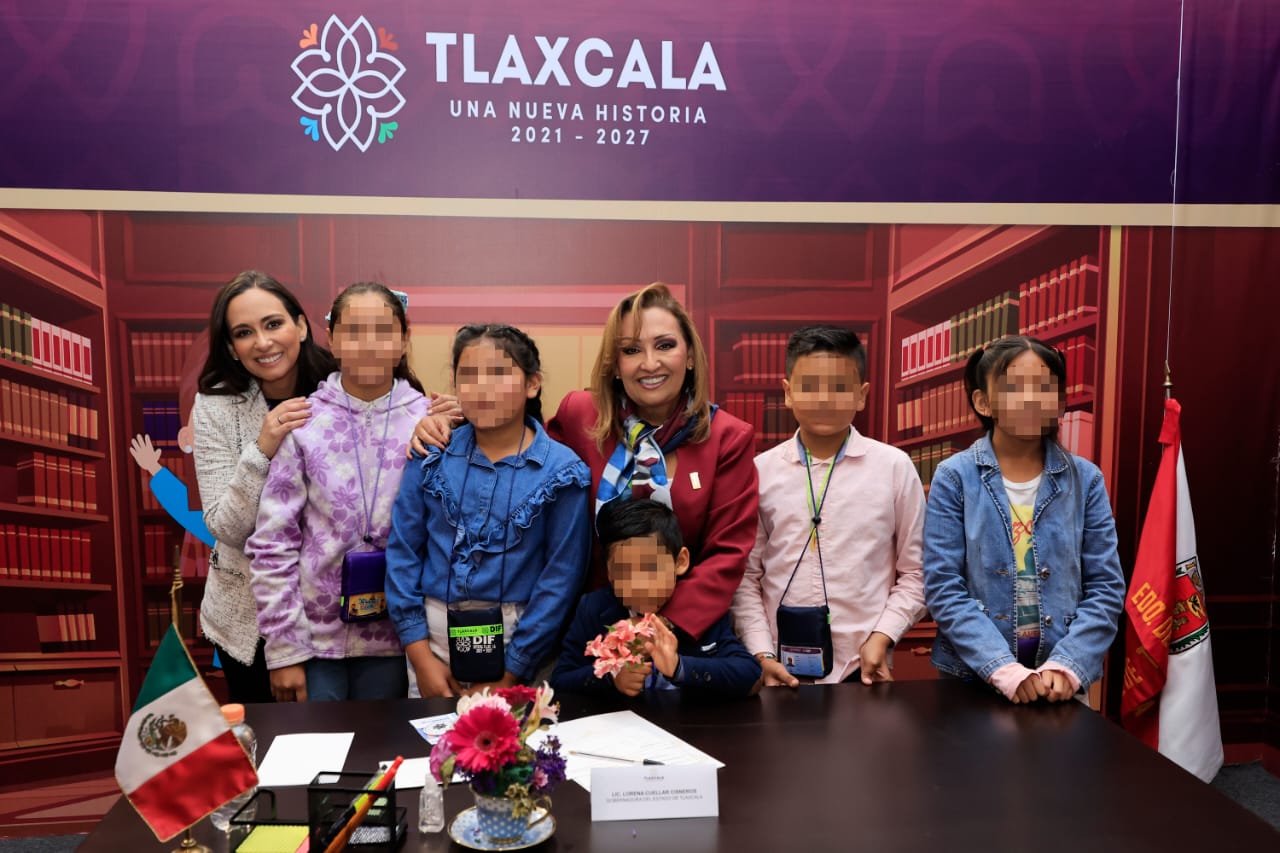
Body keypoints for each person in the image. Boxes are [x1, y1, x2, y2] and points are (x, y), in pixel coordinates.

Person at [245, 282, 429, 702]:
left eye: (383, 330)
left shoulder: (430, 422)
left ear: (403, 340)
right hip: (314, 643)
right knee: (317, 745)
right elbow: (273, 543)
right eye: (354, 331)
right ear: (333, 339)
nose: (369, 344)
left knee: (390, 743)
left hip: (403, 642)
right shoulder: (303, 423)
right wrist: (284, 649)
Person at [386, 324, 592, 698]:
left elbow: (561, 579)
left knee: (510, 736)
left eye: (498, 373)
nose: (482, 387)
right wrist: (420, 656)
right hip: (431, 641)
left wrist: (512, 672)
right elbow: (403, 553)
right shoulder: (431, 455)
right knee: (432, 733)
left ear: (532, 384)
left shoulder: (563, 473)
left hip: (522, 643)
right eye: (468, 375)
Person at [922, 335, 1125, 704]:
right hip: (971, 678)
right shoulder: (954, 477)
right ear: (983, 402)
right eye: (1014, 388)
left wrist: (1068, 664)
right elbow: (943, 587)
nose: (1032, 399)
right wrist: (1004, 669)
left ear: (1060, 402)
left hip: (1057, 683)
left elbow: (1106, 588)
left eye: (1045, 388)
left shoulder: (1086, 479)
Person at [732, 326, 927, 687]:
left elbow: (917, 573)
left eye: (839, 387)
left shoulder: (893, 468)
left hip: (862, 667)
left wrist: (882, 636)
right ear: (788, 393)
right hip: (778, 667)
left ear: (862, 395)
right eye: (809, 386)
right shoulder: (760, 472)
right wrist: (761, 653)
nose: (824, 399)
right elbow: (745, 578)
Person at [191, 271, 336, 703]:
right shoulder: (215, 405)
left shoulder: (343, 386)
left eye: (273, 324)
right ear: (230, 348)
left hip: (337, 614)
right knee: (268, 739)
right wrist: (262, 447)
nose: (263, 342)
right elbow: (226, 527)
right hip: (247, 618)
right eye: (244, 333)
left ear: (301, 326)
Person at [552, 498, 760, 697]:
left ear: (680, 562)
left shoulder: (701, 607)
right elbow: (561, 679)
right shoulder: (593, 608)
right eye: (623, 571)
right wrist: (611, 677)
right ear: (609, 573)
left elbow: (751, 676)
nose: (639, 584)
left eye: (651, 568)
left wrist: (679, 667)